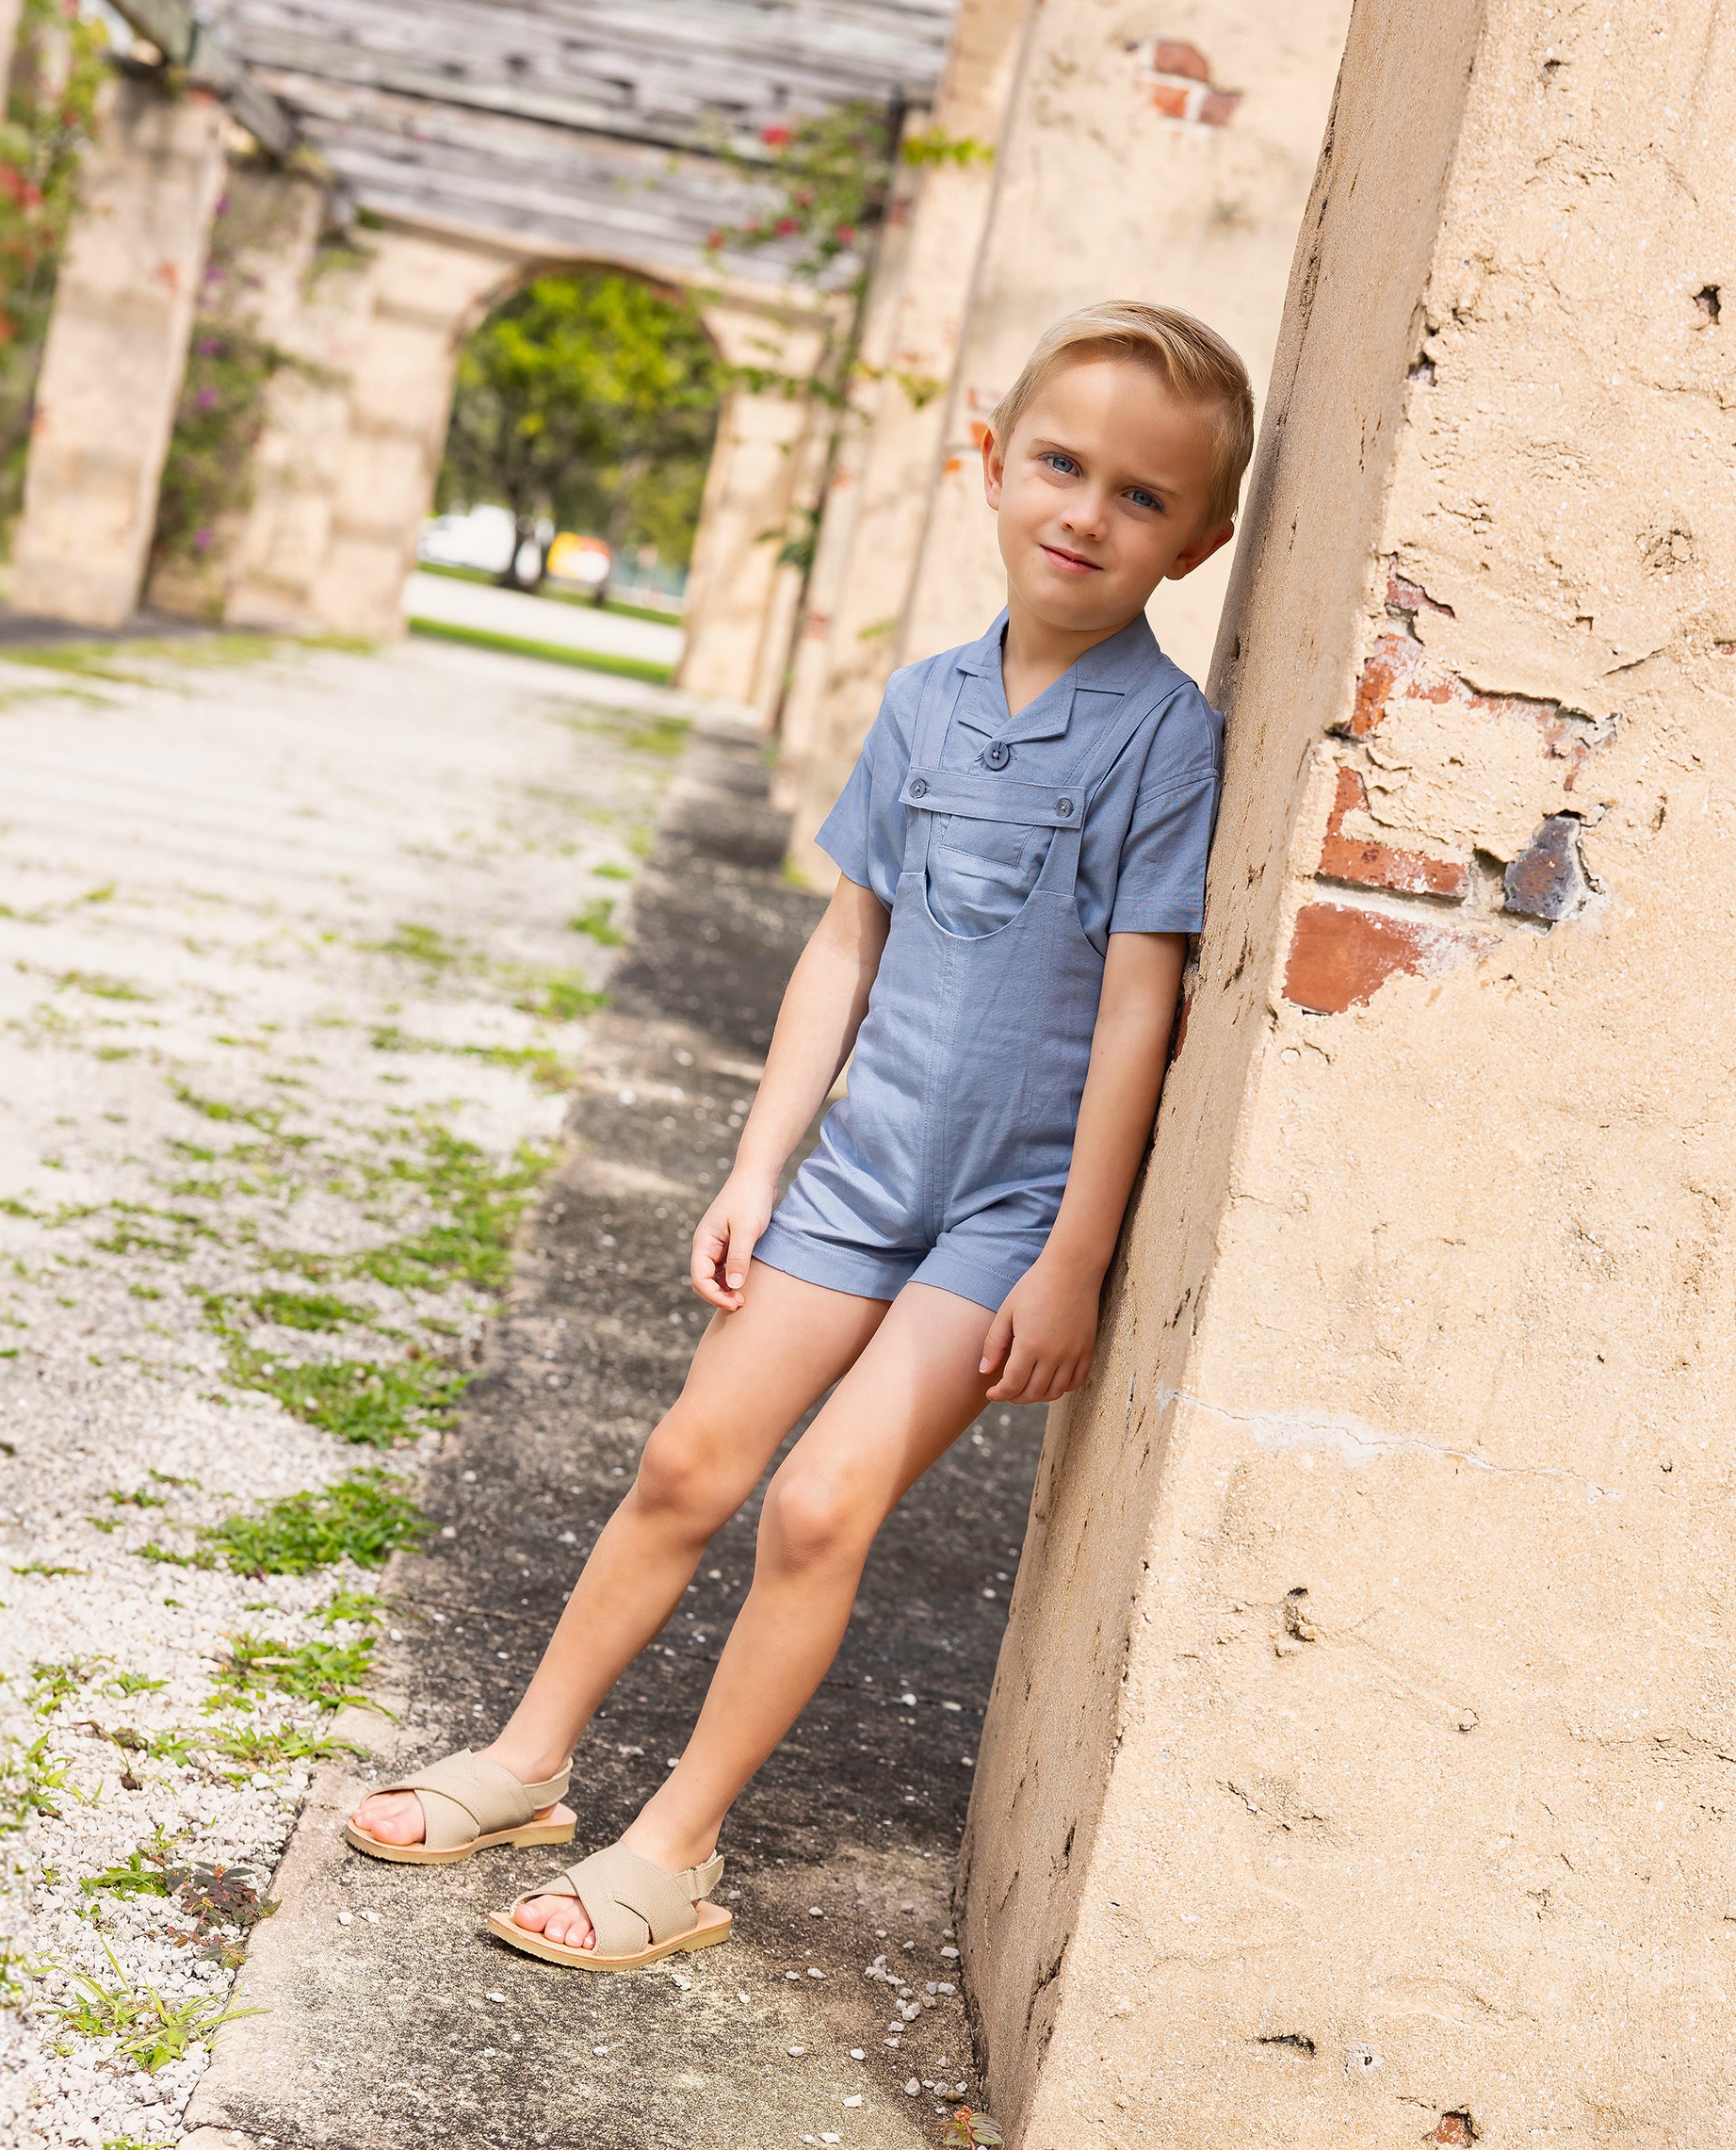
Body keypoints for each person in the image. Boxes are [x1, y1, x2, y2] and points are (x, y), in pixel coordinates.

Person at [345, 301, 1254, 1971]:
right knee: (688, 1462)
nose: (1085, 513)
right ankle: (528, 1762)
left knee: (820, 1505)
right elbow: (847, 946)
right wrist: (759, 1164)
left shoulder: (1165, 744)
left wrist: (1070, 1258)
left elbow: (1142, 1008)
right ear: (991, 460)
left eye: (1140, 496)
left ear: (1197, 543)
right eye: (1059, 464)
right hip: (858, 1174)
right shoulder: (919, 704)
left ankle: (676, 1844)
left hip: (1007, 1212)